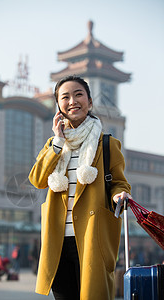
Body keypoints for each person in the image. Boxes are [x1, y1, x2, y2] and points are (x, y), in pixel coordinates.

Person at [29, 75, 132, 300]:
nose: (72, 101)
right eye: (65, 97)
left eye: (78, 94)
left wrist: (119, 195)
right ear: (59, 106)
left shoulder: (107, 144)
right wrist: (57, 141)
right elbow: (37, 179)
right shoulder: (52, 145)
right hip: (58, 242)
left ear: (90, 101)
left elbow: (119, 183)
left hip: (92, 236)